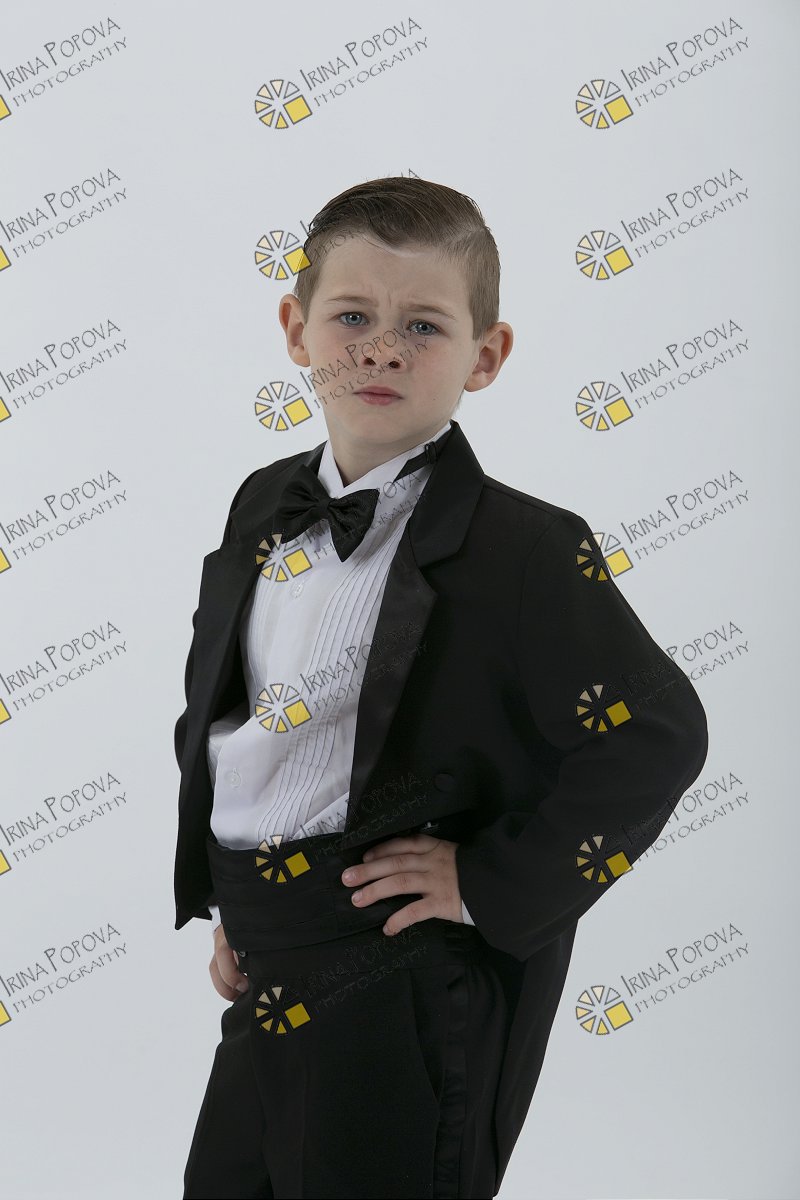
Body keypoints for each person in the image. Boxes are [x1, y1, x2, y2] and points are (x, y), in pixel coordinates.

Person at [173, 176, 709, 1199]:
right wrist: (233, 899)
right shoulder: (260, 505)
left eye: (422, 325)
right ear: (295, 331)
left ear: (485, 356)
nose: (381, 348)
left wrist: (489, 883)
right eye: (351, 317)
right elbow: (234, 716)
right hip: (268, 941)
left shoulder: (526, 548)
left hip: (401, 967)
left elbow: (657, 735)